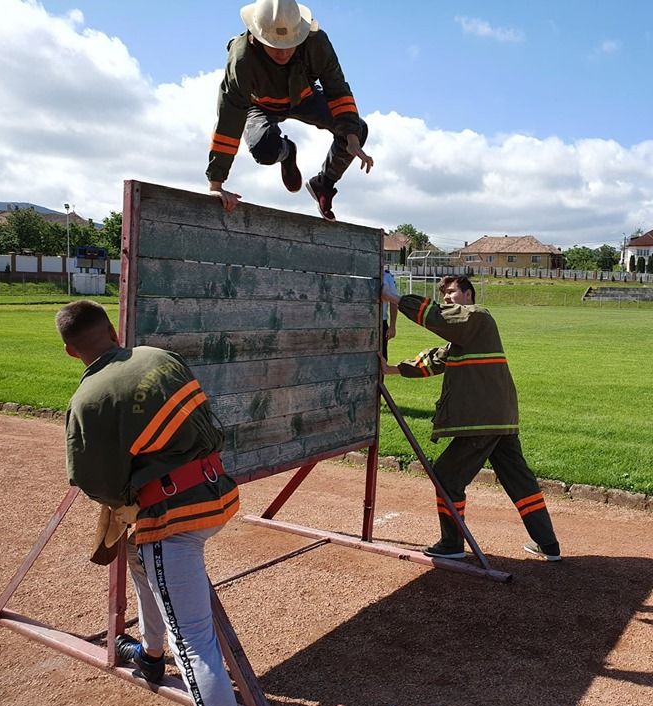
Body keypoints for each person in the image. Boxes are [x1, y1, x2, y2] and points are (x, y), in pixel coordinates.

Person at [56, 300, 242, 706]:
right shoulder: (160, 357)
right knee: (139, 559)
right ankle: (151, 654)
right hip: (218, 491)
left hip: (173, 518)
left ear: (70, 351)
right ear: (113, 332)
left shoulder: (87, 399)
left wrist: (127, 497)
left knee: (193, 640)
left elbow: (95, 483)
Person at [381, 276, 562, 562]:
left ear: (468, 294)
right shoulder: (465, 336)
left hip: (484, 418)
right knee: (520, 481)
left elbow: (436, 316)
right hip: (499, 418)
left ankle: (452, 544)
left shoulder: (477, 316)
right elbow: (434, 360)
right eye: (444, 294)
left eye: (452, 292)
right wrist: (389, 369)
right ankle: (548, 545)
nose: (447, 298)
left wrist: (392, 298)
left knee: (446, 475)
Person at [207, 0, 373, 221]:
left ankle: (323, 185)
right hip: (261, 105)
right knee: (264, 150)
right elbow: (230, 115)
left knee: (357, 129)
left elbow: (337, 88)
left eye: (290, 44)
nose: (283, 53)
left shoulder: (317, 43)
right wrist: (216, 184)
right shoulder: (242, 59)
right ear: (257, 36)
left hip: (304, 97)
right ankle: (287, 151)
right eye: (275, 46)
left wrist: (351, 138)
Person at [381, 267, 398, 359]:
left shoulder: (387, 277)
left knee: (382, 357)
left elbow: (393, 302)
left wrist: (392, 326)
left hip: (381, 322)